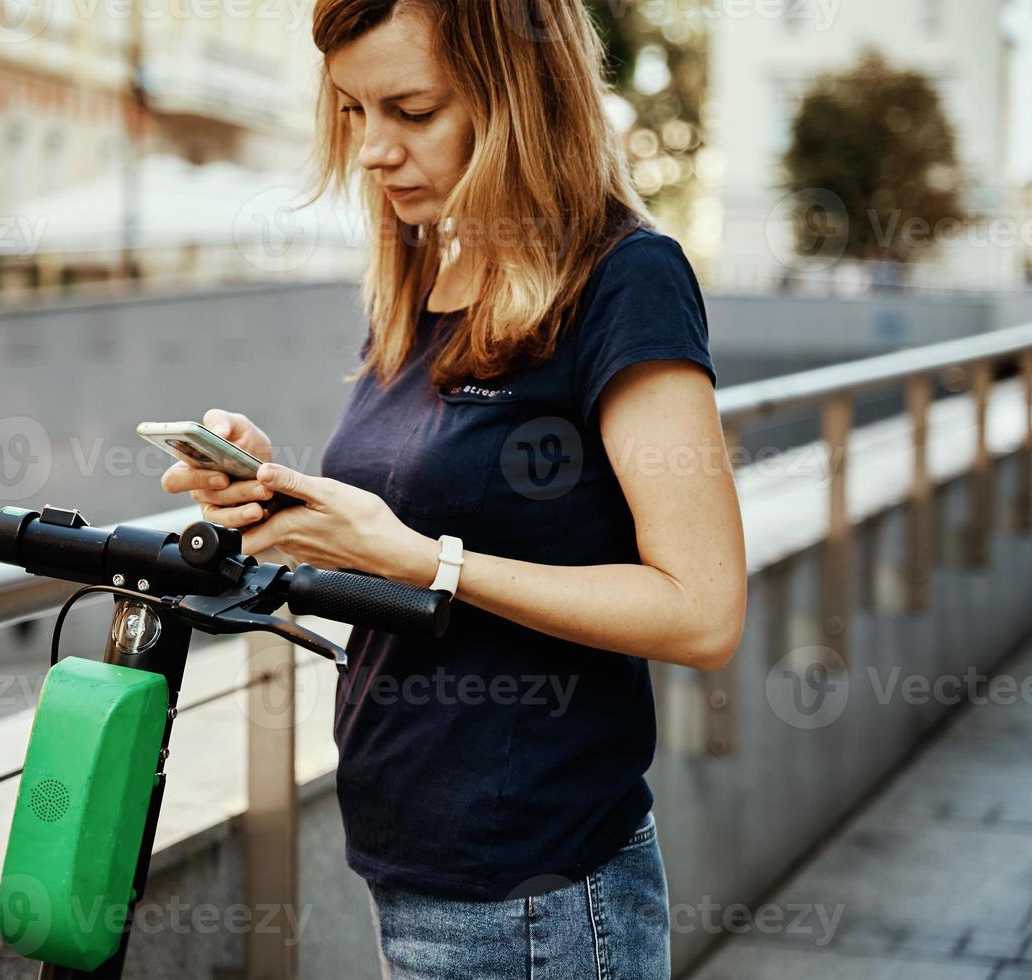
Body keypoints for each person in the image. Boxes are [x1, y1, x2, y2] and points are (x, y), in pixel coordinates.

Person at [160, 2, 746, 976]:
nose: (373, 151)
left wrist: (429, 561)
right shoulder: (429, 269)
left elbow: (703, 610)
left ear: (518, 100)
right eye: (352, 112)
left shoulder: (625, 278)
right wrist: (282, 497)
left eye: (413, 110)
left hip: (536, 895)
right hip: (413, 865)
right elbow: (420, 519)